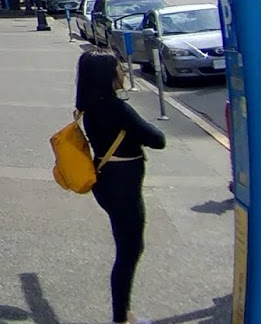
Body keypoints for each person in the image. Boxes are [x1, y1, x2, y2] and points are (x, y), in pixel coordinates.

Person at [76, 49, 166, 324]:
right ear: (108, 75)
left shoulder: (89, 106)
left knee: (126, 246)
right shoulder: (116, 108)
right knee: (130, 250)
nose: (123, 72)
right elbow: (157, 139)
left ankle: (122, 314)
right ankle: (121, 317)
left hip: (106, 181)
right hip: (123, 185)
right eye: (119, 68)